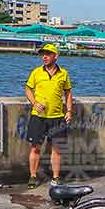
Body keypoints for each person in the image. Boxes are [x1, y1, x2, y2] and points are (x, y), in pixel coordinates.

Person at [25, 43, 73, 188]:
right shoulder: (36, 72)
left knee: (56, 148)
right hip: (38, 116)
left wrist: (69, 111)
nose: (44, 57)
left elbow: (68, 93)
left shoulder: (63, 74)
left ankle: (56, 177)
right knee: (35, 147)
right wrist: (34, 103)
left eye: (48, 54)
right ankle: (33, 176)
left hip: (57, 116)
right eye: (43, 54)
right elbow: (28, 89)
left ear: (55, 56)